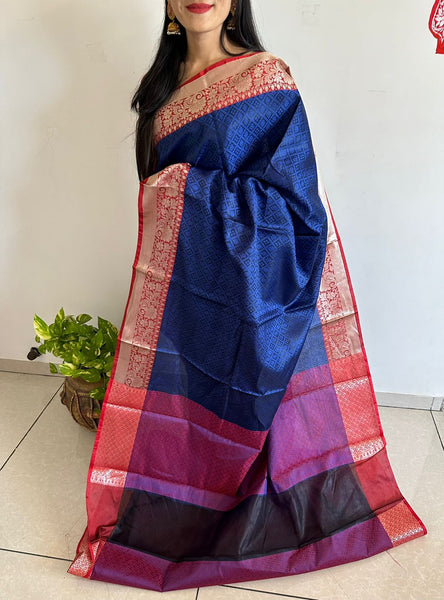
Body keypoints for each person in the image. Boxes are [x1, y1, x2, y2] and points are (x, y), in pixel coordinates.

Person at [67, 0, 427, 592]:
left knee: (252, 413)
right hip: (192, 299)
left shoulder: (265, 78)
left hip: (256, 298)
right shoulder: (159, 99)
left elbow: (298, 210)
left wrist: (186, 191)